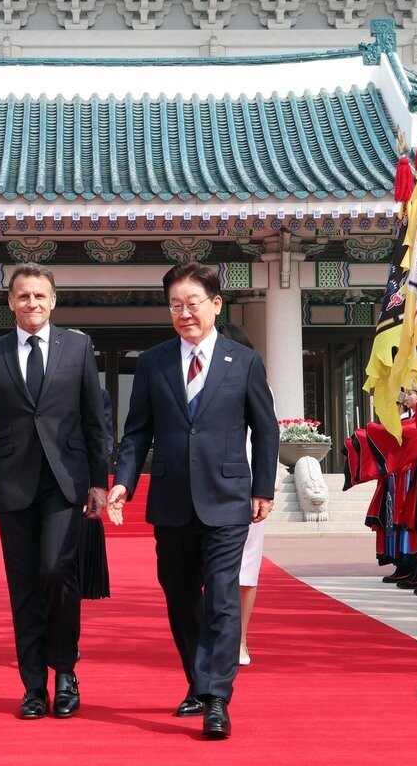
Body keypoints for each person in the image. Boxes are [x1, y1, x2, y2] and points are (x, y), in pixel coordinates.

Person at [108, 262, 278, 740]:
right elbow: (136, 431)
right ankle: (199, 682)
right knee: (181, 597)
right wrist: (124, 482)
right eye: (175, 305)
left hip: (227, 497)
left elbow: (265, 430)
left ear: (216, 305)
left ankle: (216, 698)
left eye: (193, 303)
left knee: (222, 596)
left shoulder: (244, 361)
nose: (185, 313)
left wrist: (263, 489)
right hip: (171, 499)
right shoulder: (153, 362)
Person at [0, 262, 108, 721]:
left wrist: (99, 481)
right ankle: (33, 687)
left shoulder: (77, 347)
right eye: (23, 296)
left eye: (40, 295)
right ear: (10, 302)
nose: (32, 303)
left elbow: (95, 420)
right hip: (13, 483)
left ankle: (65, 672)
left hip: (65, 482)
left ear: (53, 301)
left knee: (57, 571)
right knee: (23, 586)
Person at [216, 322, 266, 666]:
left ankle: (240, 640)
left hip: (246, 488)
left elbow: (265, 436)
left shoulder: (253, 377)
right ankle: (215, 638)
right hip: (208, 486)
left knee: (246, 568)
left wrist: (261, 487)